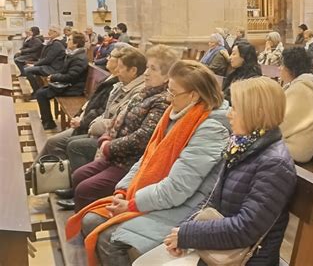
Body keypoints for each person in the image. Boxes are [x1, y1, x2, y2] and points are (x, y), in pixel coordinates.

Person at [65, 60, 230, 266]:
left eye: (173, 92)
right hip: (160, 196)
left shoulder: (211, 129)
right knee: (91, 219)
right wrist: (123, 191)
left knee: (110, 239)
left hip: (187, 207)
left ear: (193, 95)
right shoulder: (177, 115)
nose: (169, 98)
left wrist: (133, 204)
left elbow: (178, 188)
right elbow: (146, 159)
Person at [162, 77, 297, 266]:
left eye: (235, 109)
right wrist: (182, 230)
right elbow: (211, 199)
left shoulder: (275, 164)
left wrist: (188, 235)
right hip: (221, 249)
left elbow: (246, 228)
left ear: (256, 113)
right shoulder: (241, 147)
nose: (228, 115)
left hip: (246, 259)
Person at [57, 45, 178, 211]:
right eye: (148, 67)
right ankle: (84, 209)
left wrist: (109, 146)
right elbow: (118, 117)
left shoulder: (161, 101)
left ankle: (87, 224)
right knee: (79, 175)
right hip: (116, 154)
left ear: (167, 77)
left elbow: (142, 138)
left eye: (153, 69)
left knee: (86, 188)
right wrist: (107, 136)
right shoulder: (144, 92)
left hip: (130, 161)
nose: (146, 73)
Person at [66, 46, 146, 171]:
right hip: (99, 129)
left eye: (120, 67)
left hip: (113, 138)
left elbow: (118, 120)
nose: (117, 71)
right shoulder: (119, 84)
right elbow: (105, 111)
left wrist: (87, 124)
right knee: (70, 142)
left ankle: (81, 180)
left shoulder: (137, 92)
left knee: (74, 145)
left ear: (133, 71)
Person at [279, 47, 313, 163]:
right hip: (288, 142)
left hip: (295, 147)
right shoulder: (301, 85)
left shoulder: (301, 89)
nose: (279, 68)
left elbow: (284, 123)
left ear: (291, 69)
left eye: (282, 65)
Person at [35, 32, 88, 130]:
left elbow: (71, 76)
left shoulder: (79, 58)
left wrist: (54, 77)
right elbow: (65, 72)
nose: (67, 42)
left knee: (40, 94)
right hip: (68, 85)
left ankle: (48, 123)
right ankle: (47, 121)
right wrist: (54, 76)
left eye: (69, 40)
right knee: (41, 91)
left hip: (74, 88)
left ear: (76, 44)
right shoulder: (73, 54)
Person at [24, 25, 66, 94]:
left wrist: (34, 65)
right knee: (27, 68)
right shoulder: (53, 42)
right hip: (49, 65)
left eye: (50, 31)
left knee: (27, 70)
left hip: (54, 68)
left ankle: (36, 91)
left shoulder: (57, 44)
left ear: (55, 33)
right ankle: (38, 89)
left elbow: (48, 59)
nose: (48, 33)